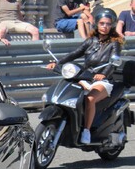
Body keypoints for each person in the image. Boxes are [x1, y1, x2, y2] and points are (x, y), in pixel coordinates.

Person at [47, 9, 123, 144]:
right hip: (87, 77)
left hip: (104, 80)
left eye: (108, 24)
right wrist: (57, 63)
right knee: (71, 94)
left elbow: (113, 62)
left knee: (90, 99)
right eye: (102, 23)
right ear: (97, 24)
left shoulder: (114, 43)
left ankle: (86, 131)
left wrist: (103, 74)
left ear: (112, 26)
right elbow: (75, 53)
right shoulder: (91, 41)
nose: (105, 27)